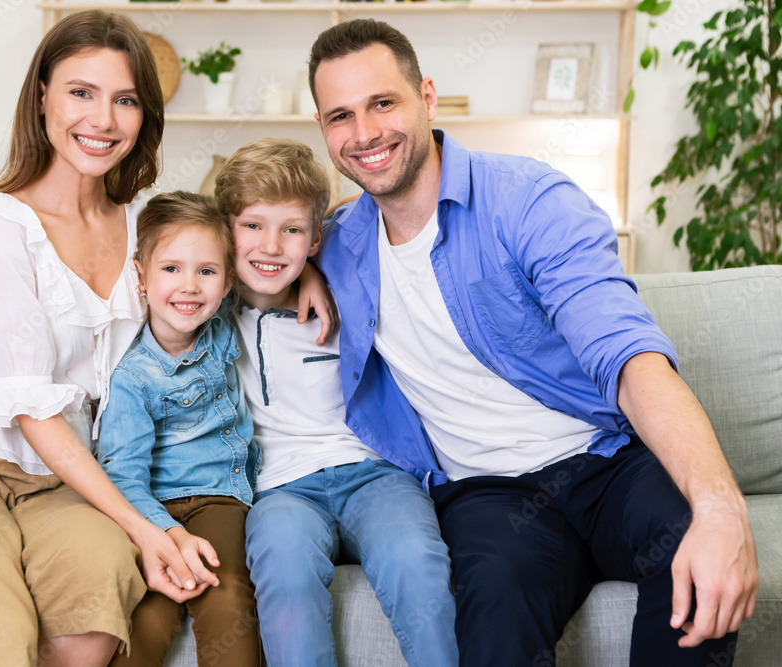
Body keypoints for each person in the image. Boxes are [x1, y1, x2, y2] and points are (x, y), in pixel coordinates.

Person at [306, 18, 759, 667]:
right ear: (323, 129)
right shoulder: (337, 244)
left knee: (697, 555)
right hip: (487, 494)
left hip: (606, 460)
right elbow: (238, 252)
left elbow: (627, 356)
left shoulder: (527, 201)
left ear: (426, 96)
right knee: (493, 618)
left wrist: (718, 506)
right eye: (340, 116)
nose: (365, 133)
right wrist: (296, 282)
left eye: (383, 103)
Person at [0, 12, 217, 666]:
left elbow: (224, 272)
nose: (104, 119)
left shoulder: (146, 226)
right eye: (81, 92)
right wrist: (144, 527)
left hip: (66, 485)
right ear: (43, 99)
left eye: (125, 100)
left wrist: (305, 281)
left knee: (90, 629)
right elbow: (32, 408)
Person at [215, 137, 459, 667]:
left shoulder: (350, 288)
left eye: (292, 231)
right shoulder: (208, 309)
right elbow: (163, 239)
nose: (272, 247)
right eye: (253, 226)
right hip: (280, 490)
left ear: (315, 237)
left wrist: (317, 270)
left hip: (374, 473)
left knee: (415, 561)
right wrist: (305, 269)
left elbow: (373, 208)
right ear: (225, 230)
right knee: (282, 564)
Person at [98, 191, 262, 667]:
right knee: (146, 614)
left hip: (219, 497)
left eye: (206, 271)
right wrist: (167, 536)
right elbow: (122, 477)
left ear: (228, 281)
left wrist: (310, 274)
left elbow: (288, 262)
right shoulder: (131, 377)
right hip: (148, 507)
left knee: (226, 590)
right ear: (141, 276)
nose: (189, 286)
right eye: (171, 269)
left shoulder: (226, 325)